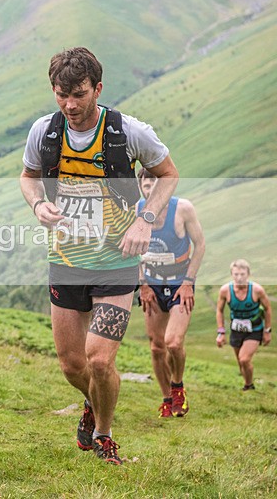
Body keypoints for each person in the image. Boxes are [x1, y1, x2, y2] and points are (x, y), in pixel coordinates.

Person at [20, 47, 179, 465]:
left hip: (116, 263)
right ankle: (92, 402)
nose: (70, 104)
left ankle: (104, 435)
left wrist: (145, 220)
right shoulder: (45, 132)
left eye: (79, 93)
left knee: (100, 359)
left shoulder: (128, 131)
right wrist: (38, 206)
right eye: (61, 94)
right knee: (73, 366)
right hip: (66, 261)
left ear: (97, 88)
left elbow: (168, 174)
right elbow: (28, 177)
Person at [136, 168, 205, 418]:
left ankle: (178, 386)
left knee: (173, 342)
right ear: (141, 188)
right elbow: (132, 251)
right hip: (152, 285)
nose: (151, 188)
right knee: (156, 347)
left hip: (179, 284)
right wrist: (142, 284)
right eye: (146, 184)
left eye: (156, 182)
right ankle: (166, 398)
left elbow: (200, 244)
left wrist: (188, 281)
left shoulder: (183, 209)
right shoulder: (135, 211)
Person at [215, 259, 272, 390]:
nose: (239, 278)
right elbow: (219, 310)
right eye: (236, 274)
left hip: (254, 329)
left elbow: (268, 308)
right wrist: (221, 332)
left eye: (242, 274)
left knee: (244, 359)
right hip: (236, 330)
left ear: (248, 274)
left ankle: (249, 386)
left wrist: (267, 331)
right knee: (241, 364)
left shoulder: (257, 290)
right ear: (231, 275)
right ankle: (247, 383)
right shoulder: (225, 290)